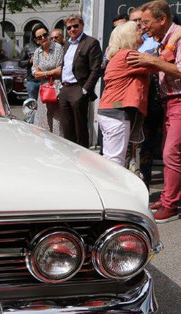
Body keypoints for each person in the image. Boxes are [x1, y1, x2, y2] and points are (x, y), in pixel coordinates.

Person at [127, 0, 181, 222]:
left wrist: (151, 61)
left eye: (146, 22)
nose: (142, 26)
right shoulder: (165, 39)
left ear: (162, 19)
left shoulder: (178, 37)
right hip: (169, 101)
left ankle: (170, 205)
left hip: (178, 100)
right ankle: (169, 197)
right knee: (171, 154)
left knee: (170, 153)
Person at [98, 21, 154, 166]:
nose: (141, 31)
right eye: (136, 29)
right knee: (115, 163)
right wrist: (171, 44)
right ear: (128, 35)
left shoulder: (119, 55)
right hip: (116, 113)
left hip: (110, 111)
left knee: (111, 160)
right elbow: (156, 64)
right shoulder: (128, 55)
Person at [58, 14, 103, 148]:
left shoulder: (91, 42)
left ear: (82, 25)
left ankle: (83, 155)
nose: (72, 29)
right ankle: (70, 154)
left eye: (75, 26)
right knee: (67, 127)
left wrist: (85, 90)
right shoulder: (67, 44)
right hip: (65, 88)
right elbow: (64, 66)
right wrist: (60, 87)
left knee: (80, 128)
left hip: (78, 88)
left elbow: (96, 69)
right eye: (69, 27)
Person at [32, 25, 63, 135]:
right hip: (43, 91)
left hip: (56, 89)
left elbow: (60, 70)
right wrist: (50, 72)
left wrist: (43, 73)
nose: (43, 38)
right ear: (36, 40)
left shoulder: (58, 48)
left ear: (48, 34)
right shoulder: (37, 52)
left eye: (44, 35)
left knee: (57, 123)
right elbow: (35, 74)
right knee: (43, 122)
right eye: (39, 37)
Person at [19, 26, 40, 105]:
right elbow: (20, 63)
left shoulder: (46, 46)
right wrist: (29, 61)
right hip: (32, 80)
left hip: (45, 80)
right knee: (33, 104)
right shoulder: (27, 47)